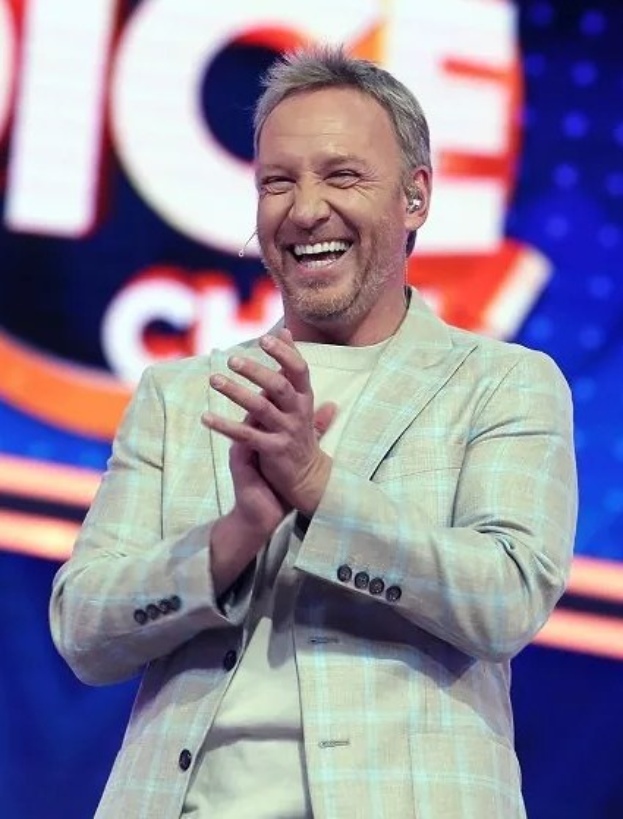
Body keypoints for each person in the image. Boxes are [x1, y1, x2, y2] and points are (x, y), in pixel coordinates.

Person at [50, 46, 577, 818]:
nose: (304, 210)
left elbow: (505, 600)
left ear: (415, 196)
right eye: (277, 182)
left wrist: (318, 486)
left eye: (342, 175)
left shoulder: (501, 382)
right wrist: (234, 536)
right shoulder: (179, 395)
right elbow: (84, 630)